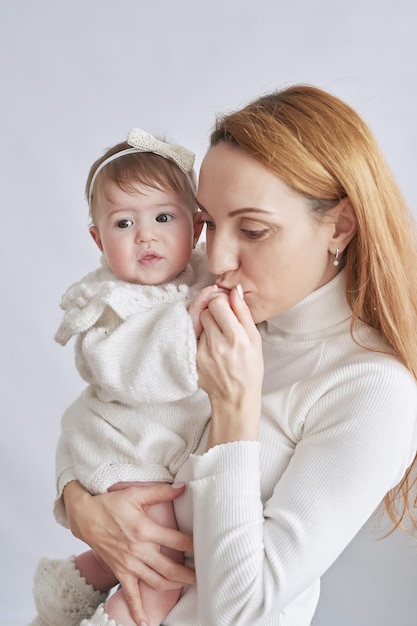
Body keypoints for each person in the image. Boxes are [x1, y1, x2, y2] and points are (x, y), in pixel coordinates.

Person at [34, 84, 417, 626]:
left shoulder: (373, 391)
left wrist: (235, 415)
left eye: (254, 230)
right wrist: (81, 503)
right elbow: (104, 409)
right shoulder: (212, 318)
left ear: (340, 227)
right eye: (208, 223)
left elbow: (239, 611)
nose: (216, 256)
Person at [31, 129, 217, 626]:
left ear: (196, 228)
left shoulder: (203, 274)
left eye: (162, 217)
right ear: (97, 238)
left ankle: (74, 583)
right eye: (123, 223)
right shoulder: (108, 306)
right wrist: (189, 324)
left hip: (157, 446)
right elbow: (126, 372)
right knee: (159, 573)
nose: (146, 235)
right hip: (127, 453)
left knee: (131, 551)